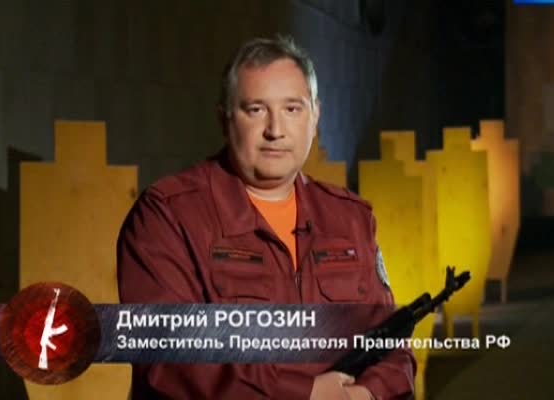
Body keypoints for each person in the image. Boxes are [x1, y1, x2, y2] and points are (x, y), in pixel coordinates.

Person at [117, 35, 415, 400]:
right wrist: (304, 394)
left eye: (292, 109)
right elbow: (168, 356)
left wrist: (366, 394)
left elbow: (392, 344)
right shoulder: (167, 216)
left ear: (315, 117)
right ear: (225, 119)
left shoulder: (350, 217)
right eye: (256, 109)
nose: (275, 130)